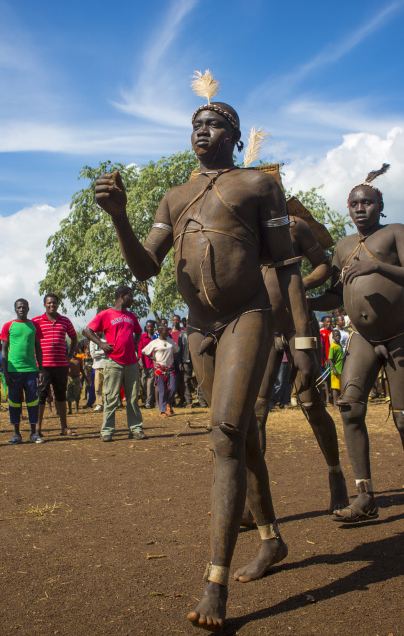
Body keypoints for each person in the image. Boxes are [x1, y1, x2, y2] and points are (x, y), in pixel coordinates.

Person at [94, 93, 317, 632]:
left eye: (215, 124)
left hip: (247, 316)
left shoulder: (259, 185)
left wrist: (303, 339)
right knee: (242, 440)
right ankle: (271, 540)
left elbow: (287, 267)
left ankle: (214, 582)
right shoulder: (175, 196)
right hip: (200, 329)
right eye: (197, 123)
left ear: (234, 137)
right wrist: (120, 218)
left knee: (225, 434)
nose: (203, 130)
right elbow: (147, 266)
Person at [309, 164, 404, 521]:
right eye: (354, 204)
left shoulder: (396, 232)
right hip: (363, 337)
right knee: (350, 408)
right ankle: (365, 497)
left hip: (399, 335)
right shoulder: (344, 247)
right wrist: (304, 300)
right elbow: (334, 295)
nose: (360, 208)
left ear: (380, 206)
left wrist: (375, 268)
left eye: (367, 202)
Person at [253, 210, 347, 517]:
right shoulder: (244, 229)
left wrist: (300, 286)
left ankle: (336, 476)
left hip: (299, 326)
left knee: (310, 403)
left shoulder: (295, 226)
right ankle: (255, 499)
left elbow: (325, 266)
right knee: (256, 412)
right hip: (263, 328)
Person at [83, 286, 145, 442]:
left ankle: (136, 429)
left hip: (131, 362)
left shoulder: (131, 316)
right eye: (130, 296)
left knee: (132, 398)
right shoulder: (105, 314)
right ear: (122, 296)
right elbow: (87, 331)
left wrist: (134, 344)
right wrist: (101, 344)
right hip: (114, 362)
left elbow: (138, 332)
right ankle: (107, 431)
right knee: (110, 397)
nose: (133, 299)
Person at [33, 293, 78, 438]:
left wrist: (70, 355)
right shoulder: (36, 321)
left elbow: (74, 337)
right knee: (41, 396)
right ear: (44, 304)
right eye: (49, 303)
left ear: (58, 305)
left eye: (54, 303)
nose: (52, 305)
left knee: (61, 395)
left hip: (61, 365)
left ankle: (64, 427)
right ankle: (38, 429)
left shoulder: (65, 320)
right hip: (43, 366)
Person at [1, 299, 44, 443]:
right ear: (15, 309)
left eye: (24, 307)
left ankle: (33, 433)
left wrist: (41, 369)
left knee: (33, 402)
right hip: (13, 372)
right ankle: (16, 434)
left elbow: (38, 348)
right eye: (19, 307)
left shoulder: (34, 326)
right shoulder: (8, 326)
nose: (21, 309)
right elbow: (4, 350)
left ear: (28, 309)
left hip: (31, 371)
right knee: (14, 403)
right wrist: (5, 372)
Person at [141, 322, 179, 416]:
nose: (167, 332)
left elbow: (177, 350)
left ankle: (168, 403)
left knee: (173, 388)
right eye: (165, 331)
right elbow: (144, 351)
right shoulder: (155, 342)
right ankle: (162, 411)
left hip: (170, 368)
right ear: (160, 332)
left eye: (167, 331)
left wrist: (174, 357)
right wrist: (153, 358)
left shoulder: (170, 341)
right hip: (159, 369)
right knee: (161, 389)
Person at [138, 320, 156, 409]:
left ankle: (148, 402)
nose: (150, 328)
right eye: (148, 327)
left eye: (151, 327)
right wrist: (140, 361)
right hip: (144, 364)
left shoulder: (156, 337)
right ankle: (146, 399)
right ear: (146, 327)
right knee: (143, 383)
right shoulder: (142, 337)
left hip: (153, 364)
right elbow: (140, 348)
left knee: (150, 384)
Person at [328, 328, 344, 406]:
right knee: (335, 387)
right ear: (333, 337)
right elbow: (330, 359)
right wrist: (333, 369)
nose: (338, 337)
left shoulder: (340, 345)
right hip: (335, 370)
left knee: (340, 386)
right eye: (336, 335)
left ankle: (339, 401)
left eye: (339, 335)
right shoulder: (333, 346)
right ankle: (335, 403)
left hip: (341, 369)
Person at [90, 337, 106, 411]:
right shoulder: (92, 341)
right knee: (97, 387)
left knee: (107, 387)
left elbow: (109, 352)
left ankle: (107, 403)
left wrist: (98, 352)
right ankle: (99, 404)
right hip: (97, 367)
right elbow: (93, 355)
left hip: (106, 366)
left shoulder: (106, 339)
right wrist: (104, 351)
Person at [67, 348, 83, 414]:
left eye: (75, 352)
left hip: (77, 378)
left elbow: (81, 369)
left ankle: (76, 409)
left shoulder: (79, 360)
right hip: (70, 378)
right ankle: (70, 409)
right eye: (73, 352)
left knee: (77, 393)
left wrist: (83, 377)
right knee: (69, 394)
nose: (74, 353)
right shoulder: (68, 360)